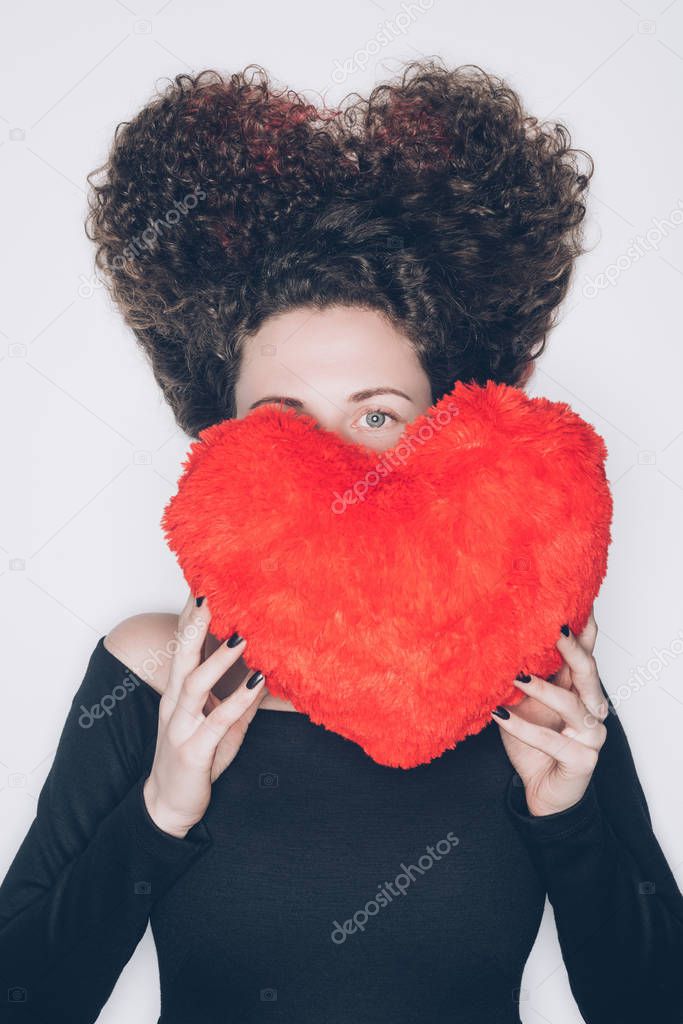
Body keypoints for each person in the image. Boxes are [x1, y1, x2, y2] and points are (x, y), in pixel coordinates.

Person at [1, 59, 682, 1024]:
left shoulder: (532, 670)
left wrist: (567, 820)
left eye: (375, 416)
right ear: (219, 430)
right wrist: (160, 811)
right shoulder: (151, 670)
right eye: (283, 418)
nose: (329, 462)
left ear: (445, 424)